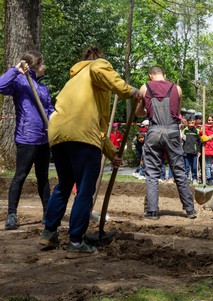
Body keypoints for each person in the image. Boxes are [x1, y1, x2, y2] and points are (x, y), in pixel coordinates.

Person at [39, 46, 143, 258]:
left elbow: (98, 127)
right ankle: (76, 242)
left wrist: (112, 153)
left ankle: (49, 233)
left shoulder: (73, 81)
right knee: (85, 189)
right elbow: (101, 73)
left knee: (64, 184)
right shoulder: (97, 66)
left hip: (58, 134)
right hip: (82, 135)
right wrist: (130, 91)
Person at [0, 50, 54, 230]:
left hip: (44, 138)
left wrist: (53, 123)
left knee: (43, 177)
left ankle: (47, 214)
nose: (45, 67)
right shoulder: (20, 82)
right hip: (27, 137)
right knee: (20, 176)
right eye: (42, 64)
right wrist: (16, 70)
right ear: (34, 65)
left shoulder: (43, 88)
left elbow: (49, 109)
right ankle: (11, 215)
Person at [135, 65, 197, 220]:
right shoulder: (177, 88)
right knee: (179, 171)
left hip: (154, 131)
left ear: (150, 75)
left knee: (152, 173)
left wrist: (145, 108)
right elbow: (177, 113)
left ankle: (152, 211)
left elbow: (138, 113)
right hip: (172, 132)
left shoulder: (145, 88)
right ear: (164, 74)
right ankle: (190, 210)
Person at [183, 116, 201, 184]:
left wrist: (199, 151)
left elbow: (199, 142)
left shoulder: (197, 130)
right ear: (187, 122)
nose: (192, 122)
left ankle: (194, 178)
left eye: (193, 120)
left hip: (194, 152)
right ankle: (186, 178)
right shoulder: (185, 130)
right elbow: (182, 140)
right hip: (186, 151)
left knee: (194, 167)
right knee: (186, 167)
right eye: (190, 120)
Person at [202, 113, 213, 185]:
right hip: (208, 148)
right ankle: (209, 178)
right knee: (208, 165)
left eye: (212, 120)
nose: (210, 121)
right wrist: (202, 130)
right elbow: (201, 134)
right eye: (209, 120)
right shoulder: (205, 128)